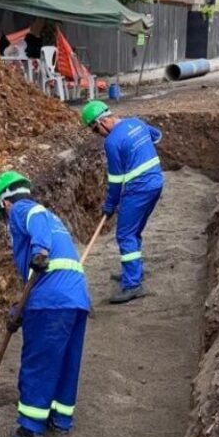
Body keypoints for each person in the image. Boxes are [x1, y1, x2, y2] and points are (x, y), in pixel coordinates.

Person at [0, 171, 91, 437]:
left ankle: (30, 426)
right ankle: (60, 420)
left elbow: (38, 244)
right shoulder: (53, 219)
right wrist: (18, 312)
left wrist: (40, 250)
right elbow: (34, 280)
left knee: (38, 362)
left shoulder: (23, 209)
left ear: (4, 203)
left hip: (51, 299)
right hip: (74, 297)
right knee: (65, 360)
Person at [81, 100, 164, 304]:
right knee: (134, 230)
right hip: (156, 182)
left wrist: (110, 205)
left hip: (139, 189)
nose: (97, 133)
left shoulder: (112, 142)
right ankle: (133, 272)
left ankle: (133, 285)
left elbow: (116, 181)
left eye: (94, 129)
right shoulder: (136, 122)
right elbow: (157, 136)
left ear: (102, 121)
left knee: (125, 234)